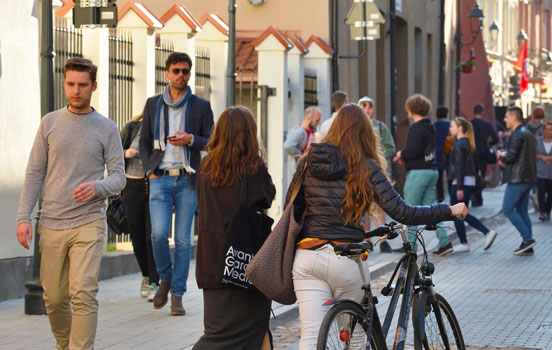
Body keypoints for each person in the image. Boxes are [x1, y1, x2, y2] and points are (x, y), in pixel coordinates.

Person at [290, 104, 467, 350]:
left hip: (307, 256)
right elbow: (402, 211)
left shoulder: (308, 162)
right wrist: (448, 210)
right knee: (356, 335)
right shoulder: (366, 166)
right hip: (345, 256)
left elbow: (293, 208)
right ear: (365, 133)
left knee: (310, 335)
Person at [16, 57, 126, 350]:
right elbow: (35, 171)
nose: (76, 90)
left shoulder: (107, 128)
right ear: (64, 83)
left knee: (83, 292)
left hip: (89, 221)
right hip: (51, 221)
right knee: (53, 298)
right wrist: (23, 217)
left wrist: (96, 187)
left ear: (94, 86)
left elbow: (119, 178)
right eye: (70, 84)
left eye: (82, 85)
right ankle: (65, 344)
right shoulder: (49, 123)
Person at [194, 106, 276, 350]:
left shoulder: (206, 167)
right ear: (250, 134)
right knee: (243, 331)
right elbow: (268, 197)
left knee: (218, 329)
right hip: (245, 259)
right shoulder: (254, 168)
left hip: (212, 262)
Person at [139, 52, 215, 315]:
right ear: (167, 73)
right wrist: (150, 170)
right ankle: (165, 278)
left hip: (188, 179)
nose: (180, 75)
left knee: (183, 241)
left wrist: (191, 139)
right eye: (176, 70)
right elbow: (144, 141)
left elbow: (211, 141)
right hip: (160, 178)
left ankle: (178, 295)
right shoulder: (152, 105)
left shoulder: (201, 106)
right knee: (158, 234)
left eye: (185, 71)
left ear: (190, 74)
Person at [392, 94, 453, 255]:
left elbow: (413, 150)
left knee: (410, 211)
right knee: (431, 210)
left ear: (411, 110)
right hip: (432, 171)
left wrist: (401, 154)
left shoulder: (417, 128)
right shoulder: (430, 126)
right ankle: (445, 242)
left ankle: (410, 246)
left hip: (418, 173)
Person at [120, 114, 158, 300]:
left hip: (154, 187)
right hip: (132, 186)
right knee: (137, 236)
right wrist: (125, 153)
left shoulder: (162, 131)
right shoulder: (132, 128)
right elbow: (111, 152)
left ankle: (154, 282)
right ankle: (145, 275)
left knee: (153, 236)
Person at [447, 117, 497, 251]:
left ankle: (482, 234)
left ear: (460, 128)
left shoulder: (459, 145)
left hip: (461, 182)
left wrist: (459, 187)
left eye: (452, 126)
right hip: (469, 181)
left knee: (458, 213)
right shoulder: (468, 143)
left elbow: (459, 167)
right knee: (460, 213)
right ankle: (466, 242)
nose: (450, 129)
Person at [496, 107, 538, 255]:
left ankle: (527, 239)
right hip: (527, 178)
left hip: (518, 178)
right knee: (522, 211)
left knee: (507, 209)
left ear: (514, 118)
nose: (504, 119)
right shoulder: (528, 133)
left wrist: (501, 156)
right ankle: (528, 245)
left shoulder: (518, 134)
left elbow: (511, 157)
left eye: (507, 116)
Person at [359, 97, 397, 252]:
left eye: (370, 106)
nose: (367, 109)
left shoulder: (381, 127)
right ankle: (367, 239)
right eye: (364, 106)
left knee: (379, 206)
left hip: (377, 171)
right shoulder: (357, 126)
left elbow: (391, 148)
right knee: (364, 206)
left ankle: (383, 240)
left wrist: (377, 156)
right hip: (361, 171)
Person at [470, 103, 499, 207]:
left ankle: (474, 195)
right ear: (482, 112)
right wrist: (488, 144)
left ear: (474, 111)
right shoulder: (487, 124)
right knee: (481, 175)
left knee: (472, 175)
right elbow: (496, 139)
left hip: (472, 153)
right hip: (483, 153)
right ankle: (478, 196)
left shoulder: (470, 124)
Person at [434, 106, 451, 203]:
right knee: (450, 176)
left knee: (439, 178)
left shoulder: (434, 125)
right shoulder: (450, 125)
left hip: (437, 153)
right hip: (448, 154)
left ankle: (440, 197)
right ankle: (451, 195)